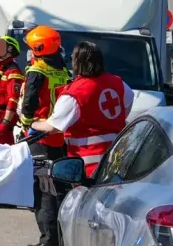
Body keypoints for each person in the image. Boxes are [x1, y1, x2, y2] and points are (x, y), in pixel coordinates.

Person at [32, 40, 133, 180]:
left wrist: (34, 124)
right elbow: (128, 102)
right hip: (116, 163)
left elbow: (52, 127)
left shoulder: (75, 93)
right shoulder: (117, 82)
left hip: (88, 169)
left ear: (77, 62)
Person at [16, 25, 70, 246]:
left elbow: (29, 103)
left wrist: (25, 125)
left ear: (39, 47)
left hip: (39, 134)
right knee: (58, 187)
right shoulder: (63, 70)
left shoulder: (37, 70)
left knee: (43, 188)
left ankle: (49, 239)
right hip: (59, 134)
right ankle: (59, 235)